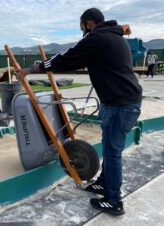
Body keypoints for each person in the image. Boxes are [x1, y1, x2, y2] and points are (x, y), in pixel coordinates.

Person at [16, 8, 142, 216]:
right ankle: (103, 183)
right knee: (110, 147)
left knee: (112, 153)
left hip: (121, 105)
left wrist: (32, 69)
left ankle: (114, 201)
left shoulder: (98, 37)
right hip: (122, 102)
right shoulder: (114, 37)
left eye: (82, 26)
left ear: (89, 23)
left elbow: (68, 57)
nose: (82, 30)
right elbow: (78, 61)